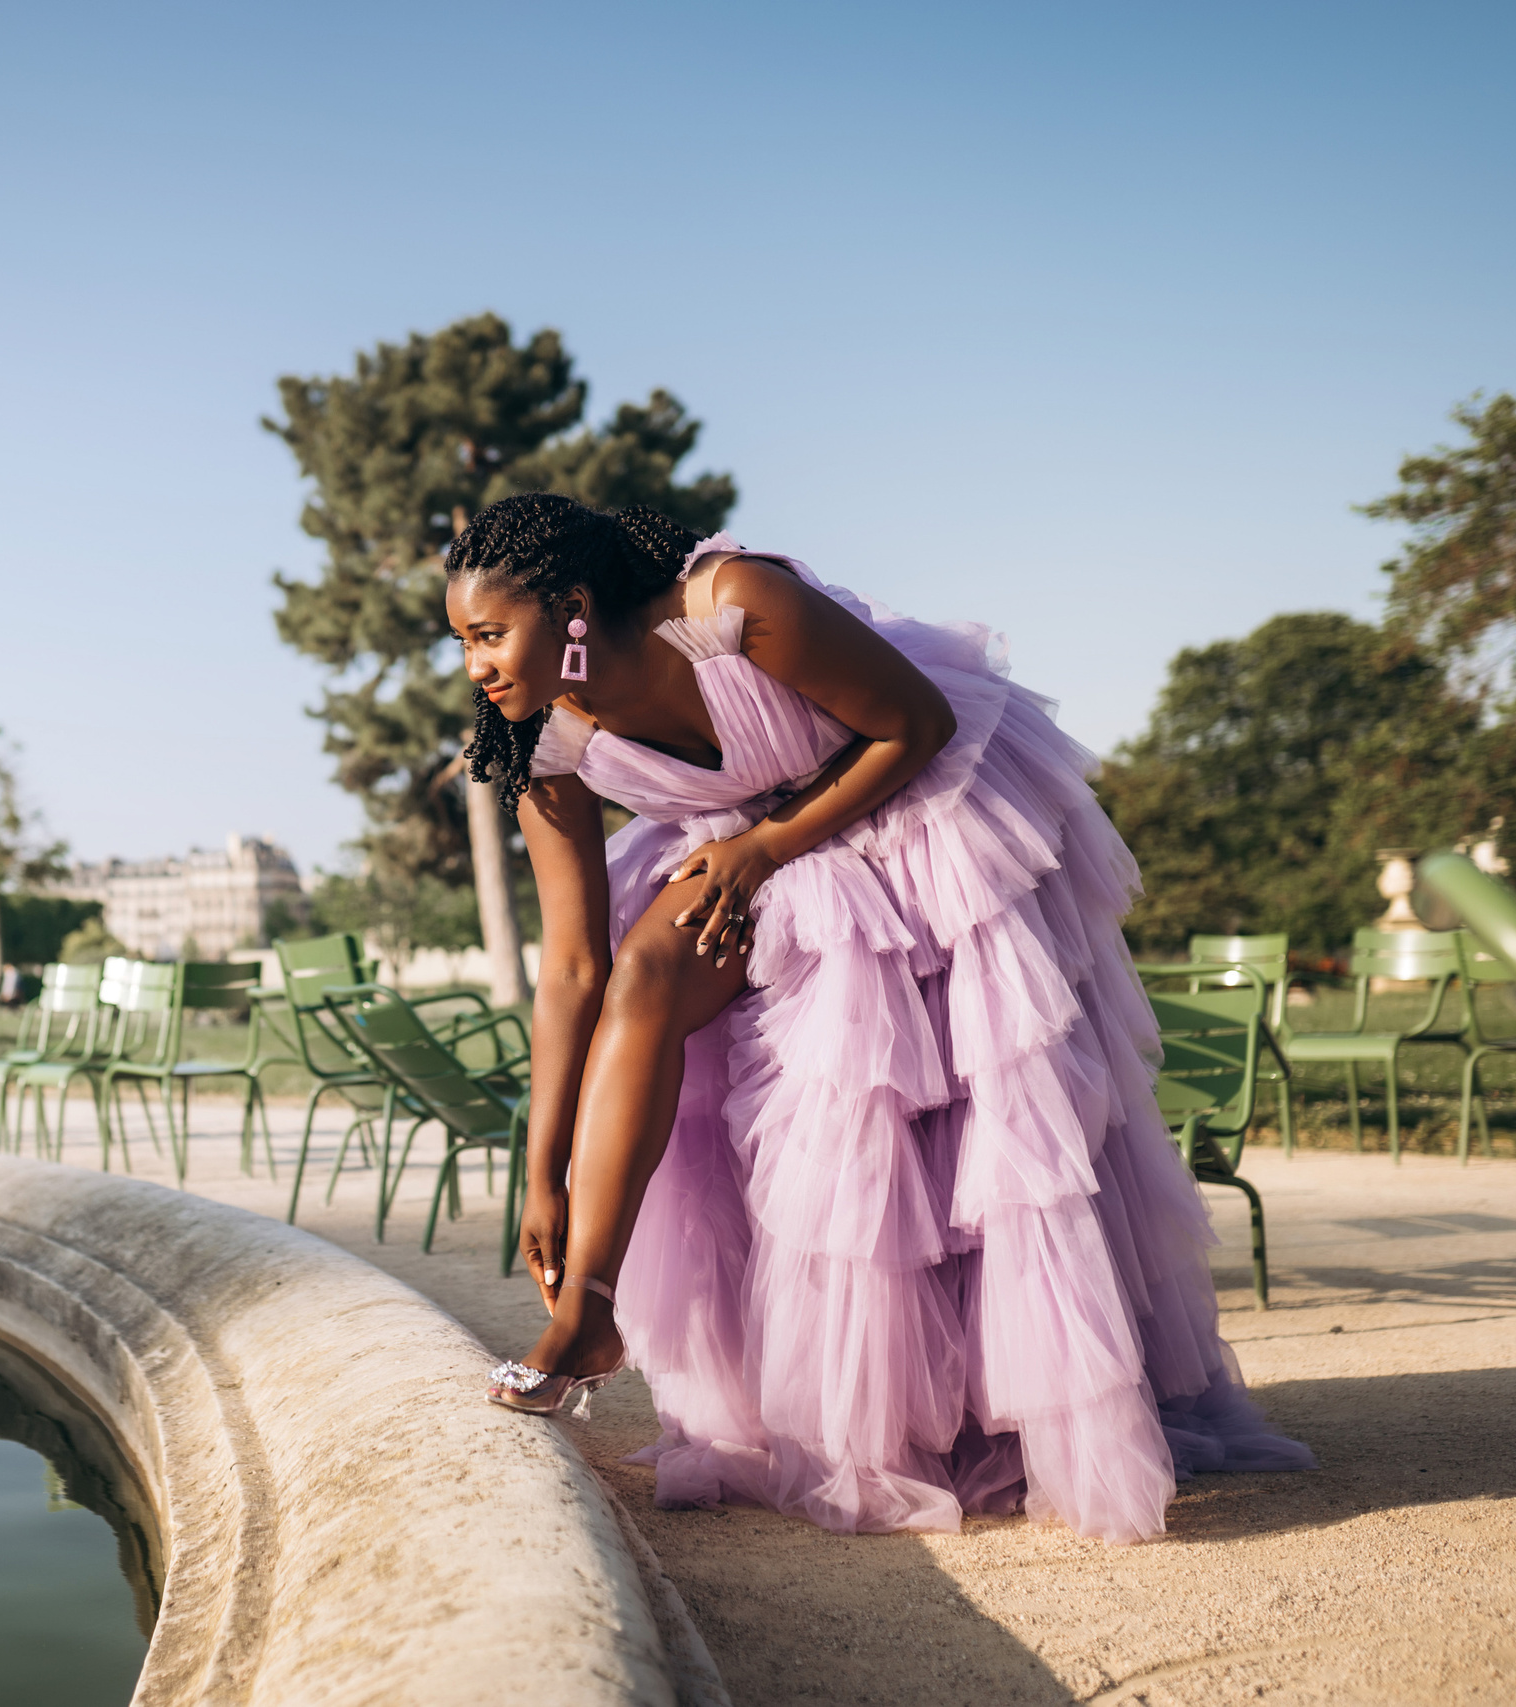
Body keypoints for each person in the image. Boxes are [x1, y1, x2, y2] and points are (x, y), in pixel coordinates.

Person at [450, 494, 1309, 1542]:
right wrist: (543, 1176)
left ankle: (979, 1415)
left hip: (908, 810)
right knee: (641, 974)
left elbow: (919, 725)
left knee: (942, 1122)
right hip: (740, 847)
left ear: (572, 605)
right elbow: (571, 969)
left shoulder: (731, 604)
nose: (475, 667)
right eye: (461, 642)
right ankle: (586, 1308)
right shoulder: (537, 742)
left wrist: (769, 849)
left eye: (488, 635)